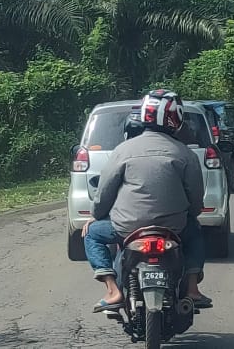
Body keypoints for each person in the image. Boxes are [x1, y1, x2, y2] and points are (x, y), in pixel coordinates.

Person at [82, 89, 212, 313]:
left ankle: (113, 290)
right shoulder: (185, 154)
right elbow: (195, 198)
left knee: (91, 234)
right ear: (176, 119)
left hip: (126, 228)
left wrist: (95, 217)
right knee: (196, 232)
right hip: (174, 228)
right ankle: (192, 289)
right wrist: (192, 214)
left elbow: (105, 192)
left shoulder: (123, 150)